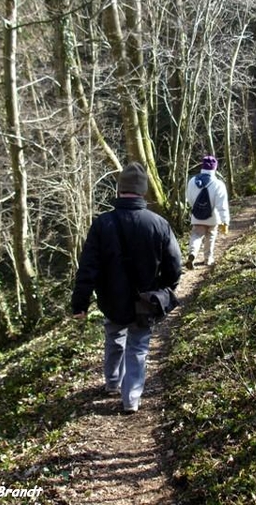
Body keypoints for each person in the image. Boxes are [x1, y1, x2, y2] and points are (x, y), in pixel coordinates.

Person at [71, 162, 182, 414]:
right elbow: (174, 266)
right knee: (138, 347)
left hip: (112, 300)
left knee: (114, 337)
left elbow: (87, 268)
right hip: (145, 301)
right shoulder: (159, 223)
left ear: (119, 190)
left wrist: (80, 304)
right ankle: (131, 399)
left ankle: (112, 382)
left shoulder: (102, 224)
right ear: (143, 191)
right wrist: (164, 291)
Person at [185, 155, 230, 269]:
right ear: (215, 168)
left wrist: (196, 208)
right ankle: (208, 259)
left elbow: (189, 198)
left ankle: (192, 254)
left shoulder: (192, 181)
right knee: (210, 236)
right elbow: (222, 205)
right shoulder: (218, 184)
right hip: (213, 217)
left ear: (202, 167)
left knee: (196, 235)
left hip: (197, 216)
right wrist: (225, 221)